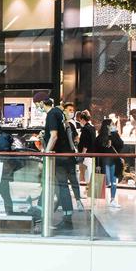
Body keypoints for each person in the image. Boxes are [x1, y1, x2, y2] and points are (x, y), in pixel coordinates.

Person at [40, 96, 74, 231]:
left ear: (42, 103)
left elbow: (54, 136)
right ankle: (44, 211)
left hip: (58, 157)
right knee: (59, 186)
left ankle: (65, 219)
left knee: (59, 186)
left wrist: (46, 152)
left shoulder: (52, 114)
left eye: (38, 103)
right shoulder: (58, 113)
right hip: (63, 156)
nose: (38, 106)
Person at [96, 117, 124, 209]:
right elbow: (97, 152)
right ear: (107, 126)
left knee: (113, 181)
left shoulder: (114, 135)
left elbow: (120, 145)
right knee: (106, 181)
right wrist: (98, 165)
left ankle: (112, 199)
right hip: (104, 162)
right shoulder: (100, 138)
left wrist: (114, 135)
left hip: (114, 161)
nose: (113, 126)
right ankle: (97, 199)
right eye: (112, 124)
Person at [62, 102, 84, 211]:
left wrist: (75, 146)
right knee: (62, 182)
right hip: (61, 158)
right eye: (69, 110)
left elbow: (76, 137)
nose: (71, 112)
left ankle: (78, 200)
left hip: (70, 157)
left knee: (73, 179)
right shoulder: (60, 123)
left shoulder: (70, 125)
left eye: (72, 110)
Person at [75, 110, 96, 185]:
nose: (80, 122)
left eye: (80, 120)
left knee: (87, 172)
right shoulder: (92, 128)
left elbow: (85, 143)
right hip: (91, 153)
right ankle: (88, 189)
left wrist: (83, 154)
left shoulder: (85, 129)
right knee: (89, 171)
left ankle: (88, 189)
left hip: (86, 154)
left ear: (83, 120)